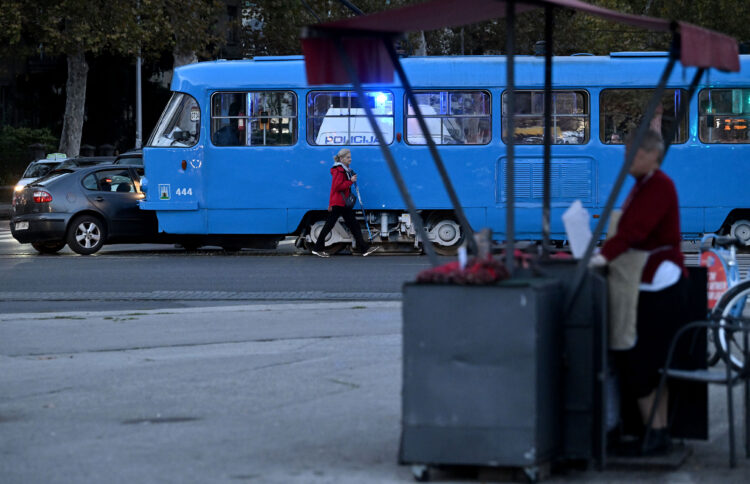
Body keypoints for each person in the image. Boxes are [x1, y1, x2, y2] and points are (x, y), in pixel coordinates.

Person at [589, 129, 688, 456]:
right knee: (652, 361)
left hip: (658, 281)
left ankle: (654, 432)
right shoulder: (647, 184)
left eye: (630, 153)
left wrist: (604, 256)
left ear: (648, 155)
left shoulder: (657, 186)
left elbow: (634, 230)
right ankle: (656, 432)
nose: (626, 160)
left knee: (641, 359)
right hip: (653, 278)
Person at [311, 148, 379, 258]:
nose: (350, 159)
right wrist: (350, 181)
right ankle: (317, 248)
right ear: (341, 158)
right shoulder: (339, 170)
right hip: (339, 203)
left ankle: (364, 248)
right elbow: (337, 187)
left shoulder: (344, 169)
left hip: (341, 203)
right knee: (333, 225)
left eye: (350, 157)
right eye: (348, 157)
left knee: (351, 225)